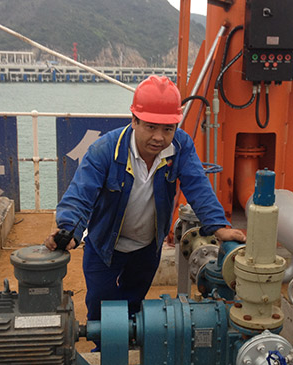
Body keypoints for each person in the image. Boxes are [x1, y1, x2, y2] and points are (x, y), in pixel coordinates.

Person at [45, 75, 245, 329]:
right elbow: (81, 194)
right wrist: (69, 230)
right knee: (100, 310)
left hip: (147, 248)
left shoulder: (181, 146)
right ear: (134, 120)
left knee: (133, 306)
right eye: (151, 127)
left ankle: (129, 345)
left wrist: (218, 226)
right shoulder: (105, 150)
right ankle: (102, 350)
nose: (159, 137)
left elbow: (197, 185)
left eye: (168, 129)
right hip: (104, 246)